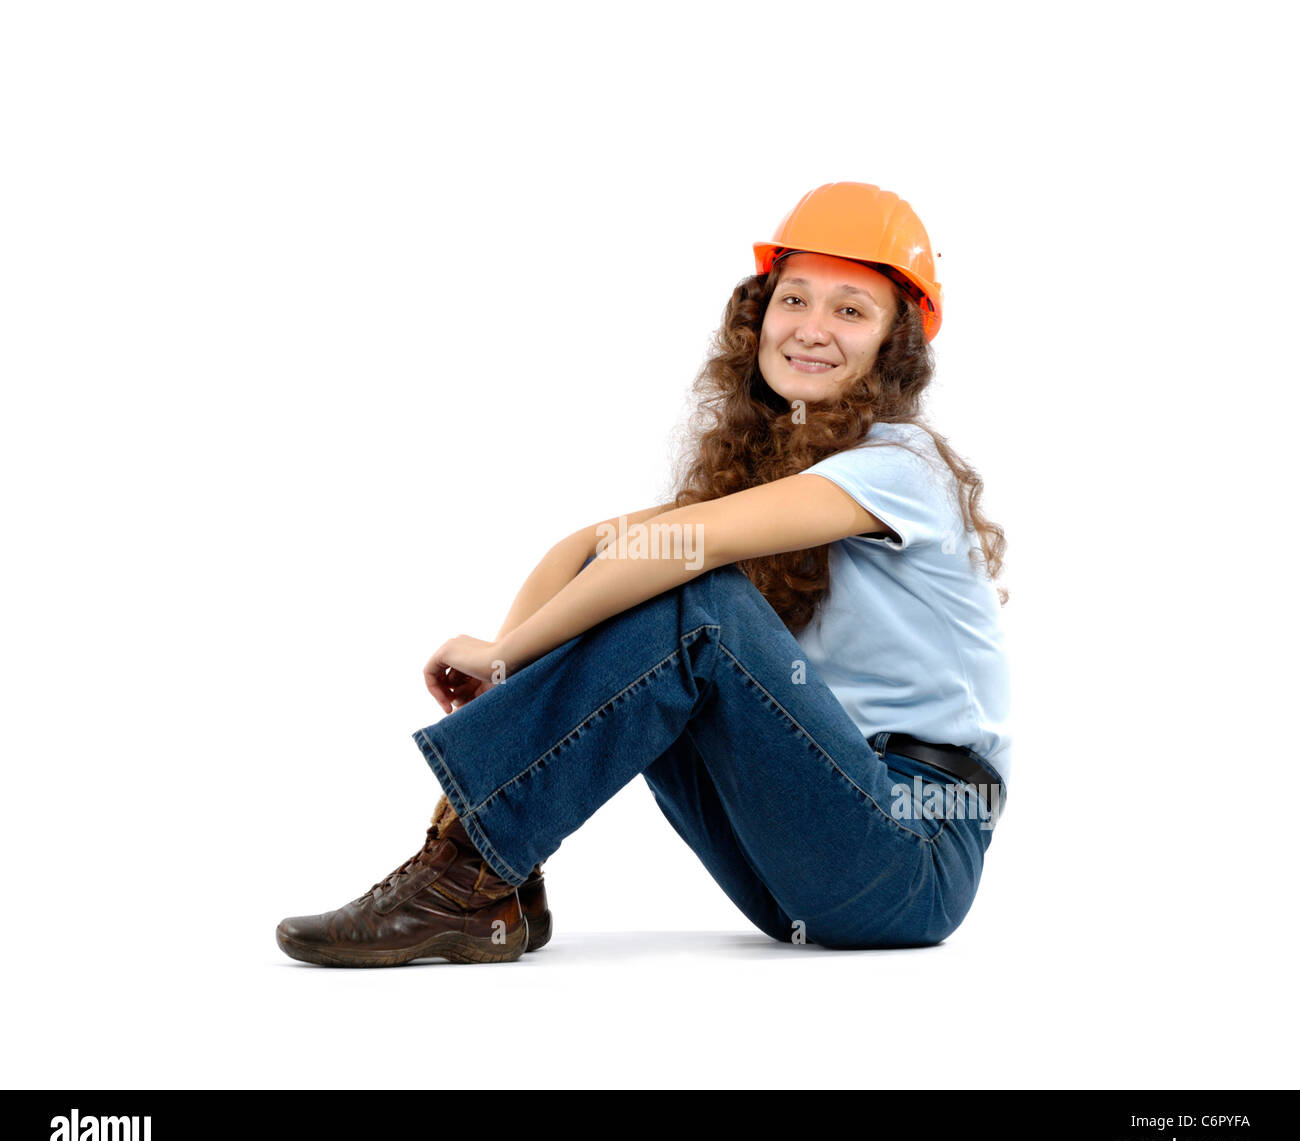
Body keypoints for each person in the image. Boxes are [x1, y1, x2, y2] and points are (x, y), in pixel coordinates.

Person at [275, 181, 1012, 967]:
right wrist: (505, 669)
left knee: (685, 588)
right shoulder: (771, 482)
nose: (812, 328)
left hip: (912, 851)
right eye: (793, 299)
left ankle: (468, 876)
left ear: (893, 347)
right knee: (635, 577)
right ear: (758, 316)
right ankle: (484, 876)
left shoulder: (905, 466)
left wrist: (505, 659)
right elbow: (585, 551)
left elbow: (682, 549)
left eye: (851, 310)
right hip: (794, 860)